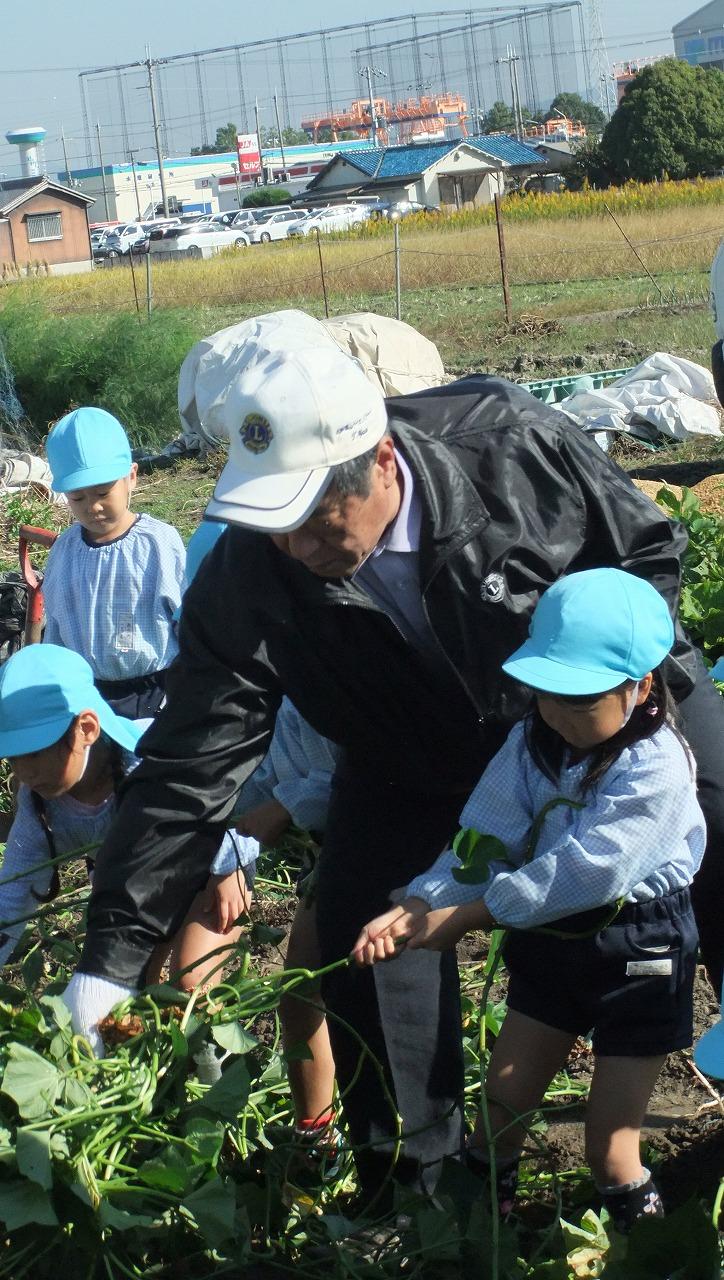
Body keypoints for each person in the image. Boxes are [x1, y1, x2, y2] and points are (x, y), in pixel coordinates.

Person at [62, 310, 724, 1204]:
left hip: (594, 715)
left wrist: (617, 708)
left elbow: (646, 548)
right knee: (360, 926)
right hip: (402, 749)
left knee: (717, 810)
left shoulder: (510, 445)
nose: (297, 547)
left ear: (380, 462)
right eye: (276, 523)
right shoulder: (256, 569)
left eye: (316, 519)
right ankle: (414, 1184)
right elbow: (191, 761)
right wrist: (109, 958)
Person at [353, 568, 704, 1231]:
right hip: (550, 940)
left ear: (641, 685)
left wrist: (474, 914)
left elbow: (590, 871)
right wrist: (425, 901)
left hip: (640, 949)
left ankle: (653, 1254)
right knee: (502, 1105)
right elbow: (486, 834)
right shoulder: (531, 743)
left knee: (609, 1144)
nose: (563, 715)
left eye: (583, 700)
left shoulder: (657, 767)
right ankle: (484, 1238)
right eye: (550, 696)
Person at [0, 645, 257, 1044]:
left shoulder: (150, 762)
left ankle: (211, 1085)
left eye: (35, 753)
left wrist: (232, 865)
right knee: (123, 1006)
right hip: (140, 892)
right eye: (14, 759)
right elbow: (12, 897)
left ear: (87, 728)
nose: (26, 772)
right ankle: (152, 1090)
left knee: (191, 987)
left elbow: (216, 793)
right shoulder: (39, 804)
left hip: (211, 871)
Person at [42, 407, 186, 719]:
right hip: (87, 696)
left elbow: (188, 621)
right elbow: (53, 627)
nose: (92, 506)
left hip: (158, 691)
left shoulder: (158, 543)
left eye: (103, 492)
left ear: (131, 477)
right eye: (77, 498)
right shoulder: (64, 553)